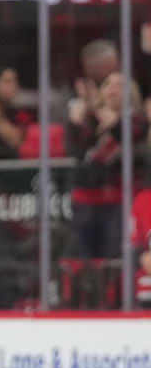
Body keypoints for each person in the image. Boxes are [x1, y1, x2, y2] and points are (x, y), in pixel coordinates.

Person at [67, 70, 147, 259]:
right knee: (86, 259)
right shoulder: (89, 120)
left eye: (120, 85)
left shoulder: (138, 120)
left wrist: (98, 109)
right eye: (108, 84)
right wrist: (75, 121)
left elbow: (128, 133)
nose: (113, 89)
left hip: (120, 202)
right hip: (85, 202)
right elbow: (74, 150)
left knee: (115, 257)